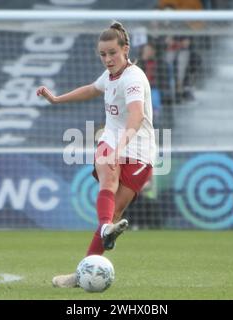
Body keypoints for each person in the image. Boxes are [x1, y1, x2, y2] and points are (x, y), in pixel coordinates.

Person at [36, 21, 157, 288]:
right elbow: (92, 89)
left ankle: (83, 269)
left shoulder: (133, 78)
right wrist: (57, 99)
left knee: (115, 214)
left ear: (125, 49)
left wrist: (121, 148)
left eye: (112, 52)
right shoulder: (110, 76)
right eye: (102, 54)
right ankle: (102, 234)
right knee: (106, 176)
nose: (107, 59)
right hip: (111, 139)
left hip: (139, 150)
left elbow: (136, 117)